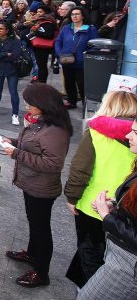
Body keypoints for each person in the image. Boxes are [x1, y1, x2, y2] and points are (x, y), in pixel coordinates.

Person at [2, 83, 73, 288]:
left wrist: (17, 154)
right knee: (34, 223)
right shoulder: (43, 122)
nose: (26, 106)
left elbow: (52, 164)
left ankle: (41, 273)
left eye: (30, 102)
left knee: (41, 229)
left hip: (42, 188)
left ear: (43, 104)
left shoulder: (55, 131)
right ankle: (32, 255)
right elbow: (32, 142)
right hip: (31, 182)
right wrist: (13, 141)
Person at [64, 91, 137, 288]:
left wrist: (71, 198)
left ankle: (89, 289)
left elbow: (80, 171)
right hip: (124, 210)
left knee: (90, 251)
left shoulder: (97, 132)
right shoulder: (133, 136)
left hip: (92, 205)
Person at [76, 117, 137, 299]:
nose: (128, 136)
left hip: (128, 264)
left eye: (135, 132)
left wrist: (107, 216)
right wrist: (115, 209)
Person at [54, 7, 98, 109]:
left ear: (83, 16)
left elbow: (95, 45)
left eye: (77, 14)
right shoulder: (66, 28)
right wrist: (59, 53)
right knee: (69, 82)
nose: (74, 16)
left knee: (82, 83)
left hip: (81, 61)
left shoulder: (90, 29)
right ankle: (72, 101)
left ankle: (85, 104)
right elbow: (58, 41)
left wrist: (86, 54)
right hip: (66, 59)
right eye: (72, 14)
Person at [27, 5, 57, 83]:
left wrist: (35, 32)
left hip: (43, 47)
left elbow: (49, 35)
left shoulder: (48, 22)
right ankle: (40, 81)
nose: (38, 13)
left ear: (45, 12)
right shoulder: (41, 21)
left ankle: (42, 82)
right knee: (40, 65)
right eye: (37, 11)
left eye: (40, 12)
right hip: (39, 47)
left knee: (42, 66)